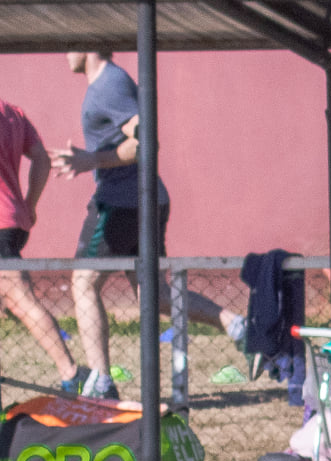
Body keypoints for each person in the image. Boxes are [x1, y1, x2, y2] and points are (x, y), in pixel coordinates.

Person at [50, 52, 245, 400]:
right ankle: (235, 324)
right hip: (146, 198)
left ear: (89, 45)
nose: (65, 53)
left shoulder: (108, 85)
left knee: (83, 281)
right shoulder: (107, 82)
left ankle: (101, 382)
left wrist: (90, 159)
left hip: (122, 202)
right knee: (153, 294)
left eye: (70, 43)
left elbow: (145, 142)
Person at [0, 97, 84, 392]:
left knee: (21, 300)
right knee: (15, 299)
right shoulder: (11, 112)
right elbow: (42, 159)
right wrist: (29, 204)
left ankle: (71, 372)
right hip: (14, 220)